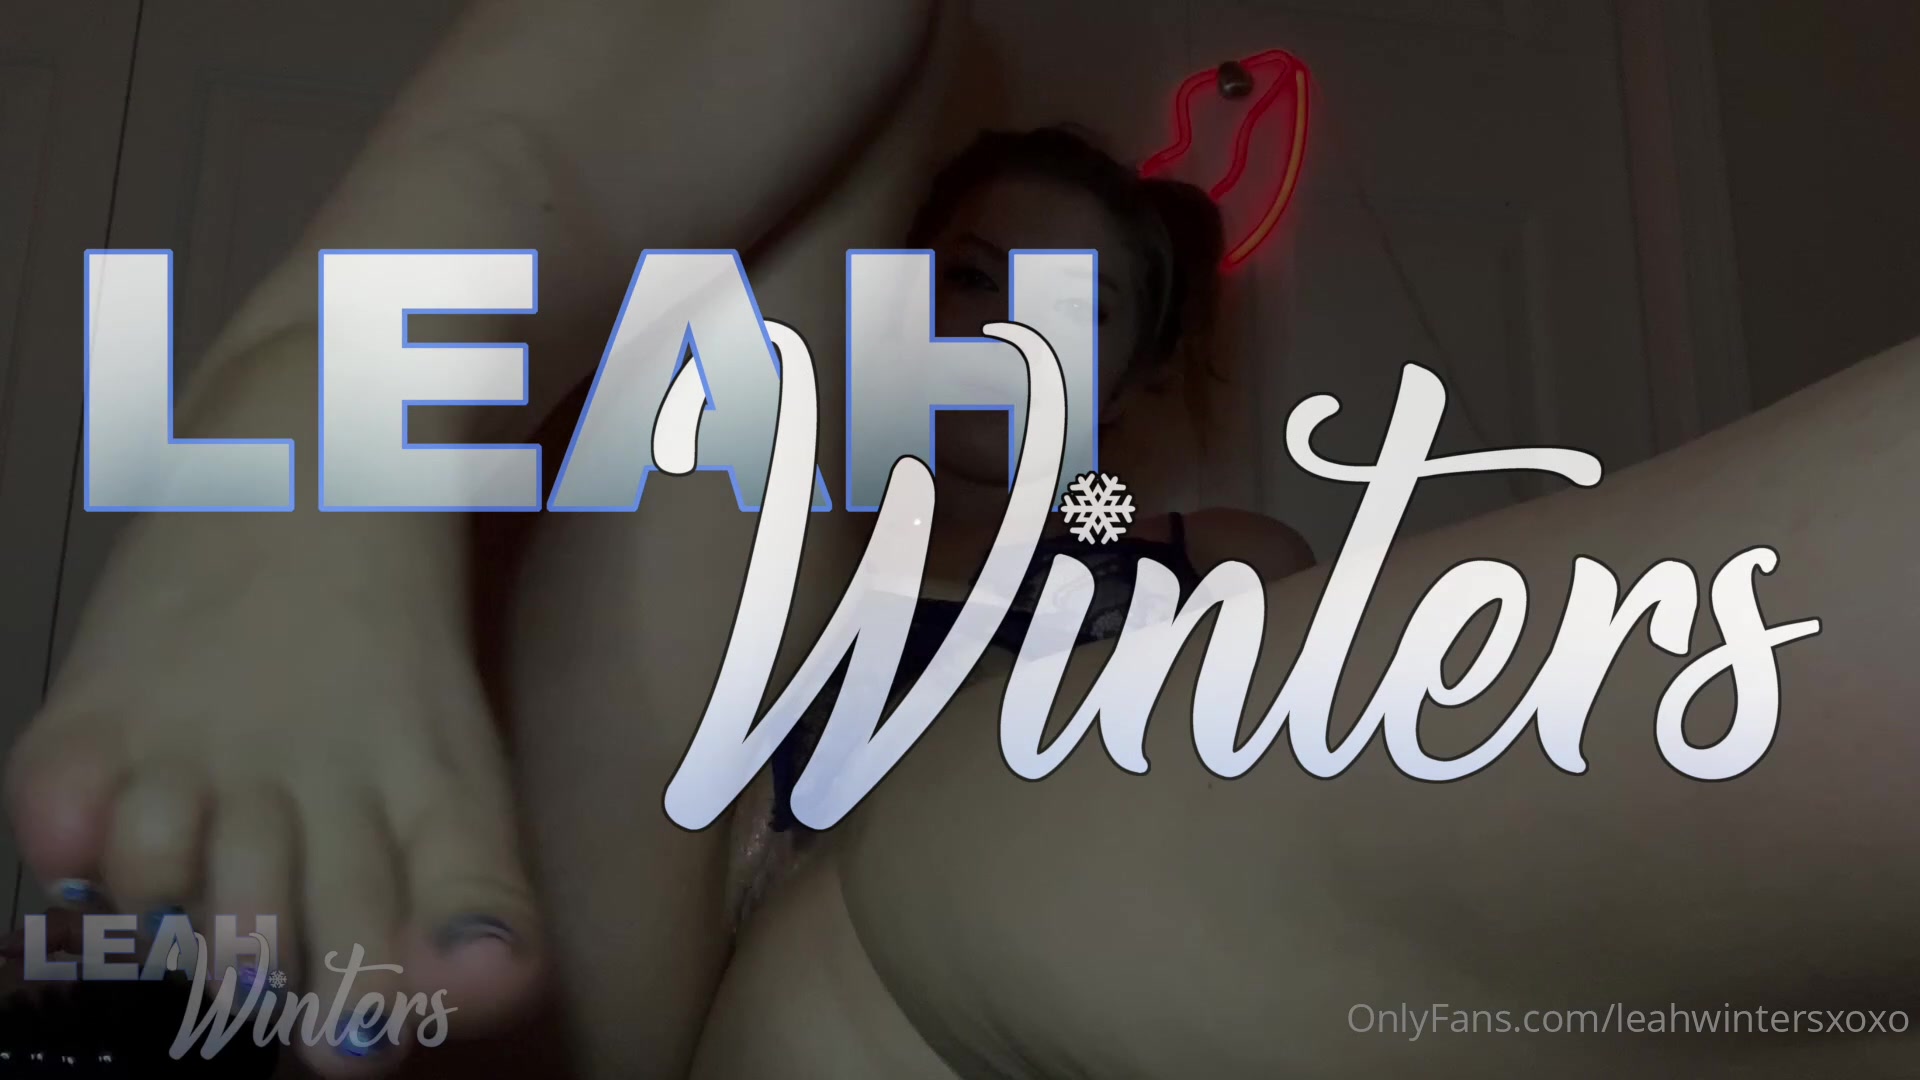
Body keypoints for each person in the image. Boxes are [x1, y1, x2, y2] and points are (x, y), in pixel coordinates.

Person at [7, 0, 1917, 1077]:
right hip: (650, 969)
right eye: (977, 280)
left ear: (1135, 380)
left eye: (1078, 317)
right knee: (880, 41)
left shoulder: (1207, 563)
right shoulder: (747, 496)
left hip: (1003, 974)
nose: (1011, 344)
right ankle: (309, 405)